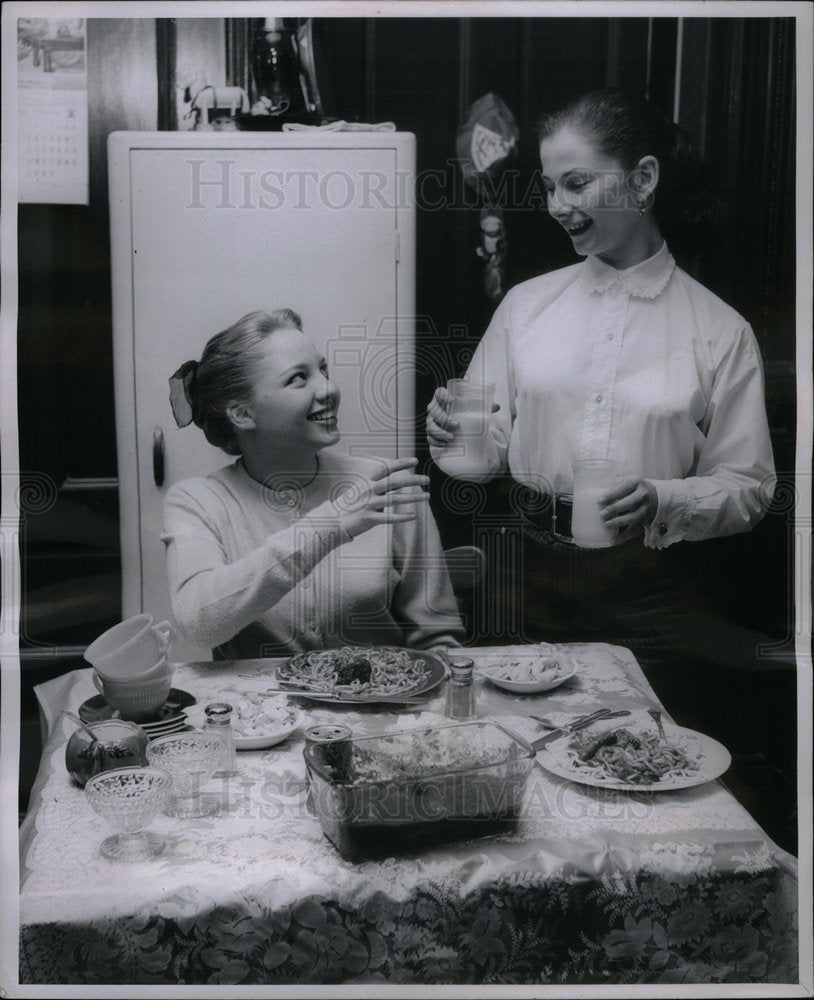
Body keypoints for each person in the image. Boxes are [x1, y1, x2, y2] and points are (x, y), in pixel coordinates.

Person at [426, 88, 777, 687]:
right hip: (523, 571)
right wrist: (451, 432)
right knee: (515, 745)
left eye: (577, 183)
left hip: (649, 585)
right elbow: (479, 462)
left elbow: (748, 488)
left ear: (643, 179)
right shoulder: (525, 307)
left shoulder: (720, 331)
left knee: (639, 757)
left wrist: (663, 499)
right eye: (549, 186)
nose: (557, 205)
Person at [163, 308, 464, 659]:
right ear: (243, 414)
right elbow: (198, 625)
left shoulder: (387, 485)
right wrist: (328, 525)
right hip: (262, 712)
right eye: (299, 379)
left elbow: (437, 640)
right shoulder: (197, 501)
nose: (329, 389)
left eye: (323, 370)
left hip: (385, 709)